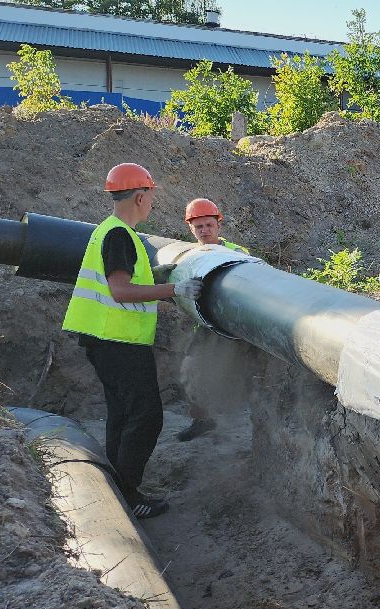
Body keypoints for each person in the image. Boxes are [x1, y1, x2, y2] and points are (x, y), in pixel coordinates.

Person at [62, 162, 201, 519]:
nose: (152, 203)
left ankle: (120, 489)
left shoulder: (108, 230)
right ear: (140, 196)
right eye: (151, 196)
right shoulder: (120, 235)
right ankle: (128, 495)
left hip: (105, 339)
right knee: (147, 416)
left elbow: (125, 279)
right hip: (117, 341)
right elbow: (121, 290)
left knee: (122, 415)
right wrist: (173, 289)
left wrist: (157, 275)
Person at [174, 198, 249, 442]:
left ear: (219, 225)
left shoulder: (236, 253)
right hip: (207, 325)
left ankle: (246, 421)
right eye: (199, 227)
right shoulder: (192, 256)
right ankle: (202, 420)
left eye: (208, 225)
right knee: (189, 369)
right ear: (191, 229)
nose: (204, 231)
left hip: (235, 325)